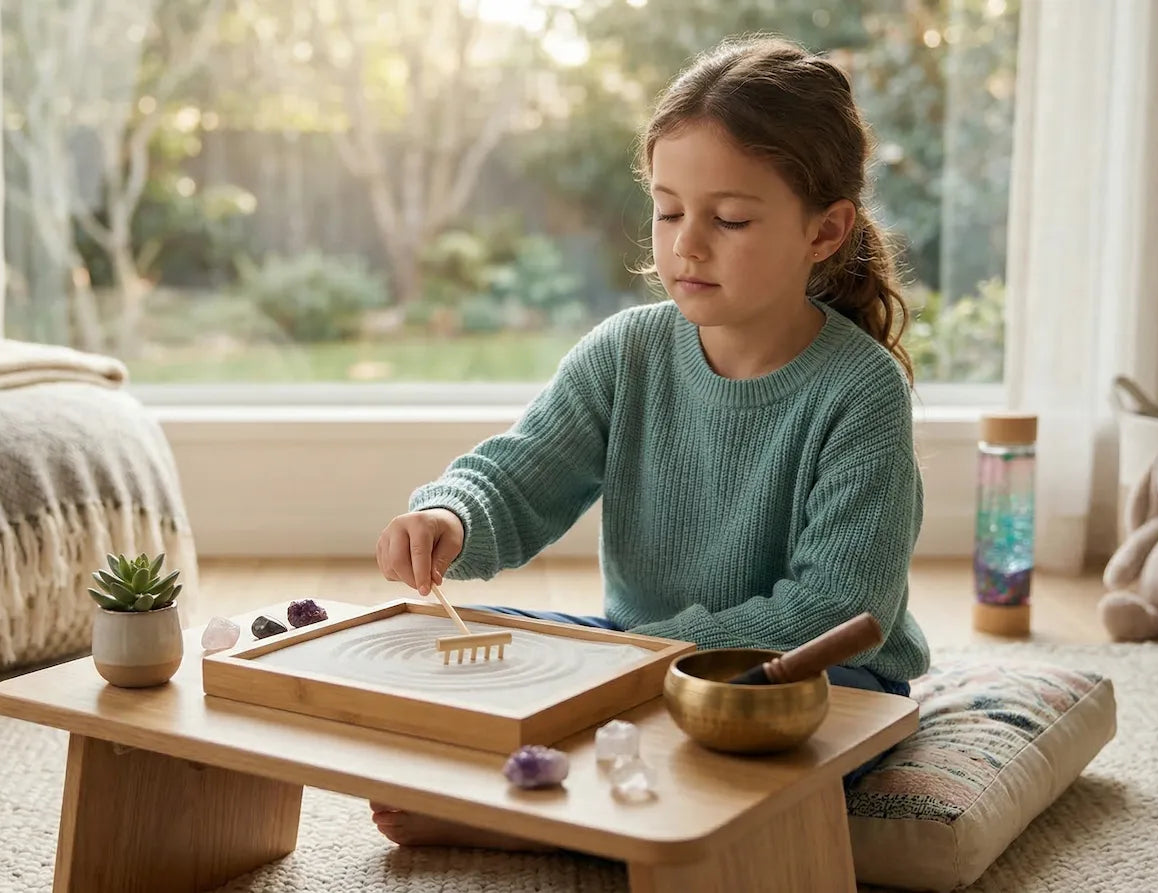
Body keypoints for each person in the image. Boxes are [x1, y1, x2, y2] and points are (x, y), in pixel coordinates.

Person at [370, 33, 930, 850]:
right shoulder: (627, 350)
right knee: (470, 643)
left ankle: (533, 823)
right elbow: (520, 476)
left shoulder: (862, 390)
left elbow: (841, 608)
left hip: (803, 676)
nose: (686, 244)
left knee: (783, 740)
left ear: (825, 231)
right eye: (669, 211)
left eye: (729, 218)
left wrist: (640, 663)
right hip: (642, 655)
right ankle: (572, 791)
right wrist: (451, 517)